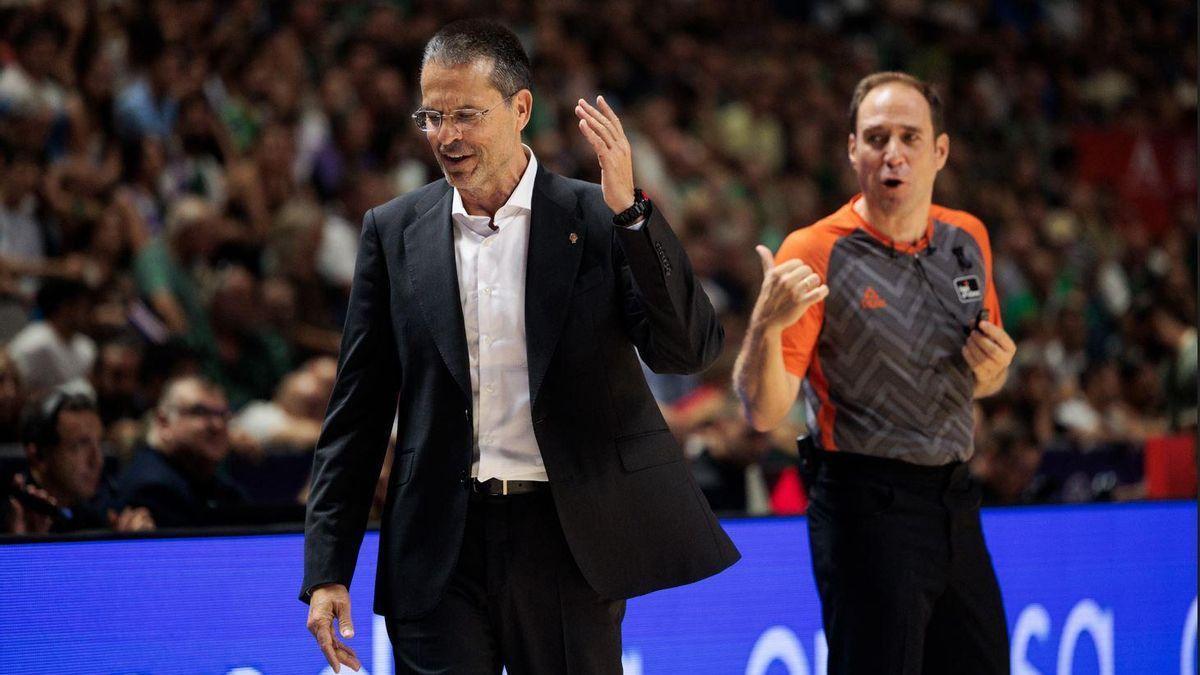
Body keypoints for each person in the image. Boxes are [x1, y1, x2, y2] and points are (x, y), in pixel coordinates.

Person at [302, 19, 738, 674]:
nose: (446, 137)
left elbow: (687, 348)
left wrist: (633, 217)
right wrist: (328, 569)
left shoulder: (597, 217)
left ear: (520, 108)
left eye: (467, 115)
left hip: (566, 538)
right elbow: (358, 413)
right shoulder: (393, 231)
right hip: (439, 545)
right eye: (432, 116)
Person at [733, 71, 1016, 674]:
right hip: (867, 506)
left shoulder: (968, 239)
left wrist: (994, 371)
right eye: (877, 137)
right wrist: (767, 325)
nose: (894, 153)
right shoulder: (812, 251)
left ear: (939, 151)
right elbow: (763, 412)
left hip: (955, 500)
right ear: (853, 150)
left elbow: (981, 380)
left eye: (911, 138)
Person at [5, 388, 154, 534]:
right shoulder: (10, 521)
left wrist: (129, 544)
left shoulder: (99, 514)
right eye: (80, 445)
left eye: (99, 443)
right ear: (38, 455)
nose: (97, 460)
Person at [115, 375, 248, 527]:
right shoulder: (152, 490)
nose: (217, 425)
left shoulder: (222, 489)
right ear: (163, 422)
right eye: (200, 412)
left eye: (222, 415)